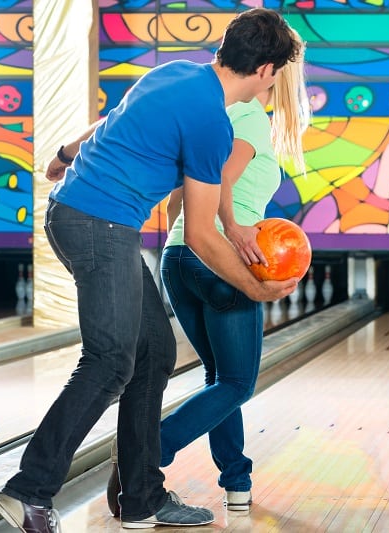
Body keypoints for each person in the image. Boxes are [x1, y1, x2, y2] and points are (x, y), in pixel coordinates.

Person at [0, 8, 302, 532]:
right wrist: (257, 286)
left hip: (88, 218)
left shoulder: (174, 72)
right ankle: (29, 491)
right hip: (100, 226)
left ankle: (141, 499)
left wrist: (65, 153)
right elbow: (202, 234)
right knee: (111, 361)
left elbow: (111, 119)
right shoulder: (210, 123)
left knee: (153, 352)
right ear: (267, 70)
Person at [106, 36, 310, 520]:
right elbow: (224, 177)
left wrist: (194, 232)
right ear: (269, 72)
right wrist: (233, 229)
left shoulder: (215, 110)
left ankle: (236, 479)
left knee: (219, 378)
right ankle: (148, 454)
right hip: (222, 259)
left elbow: (183, 197)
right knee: (238, 383)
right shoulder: (250, 117)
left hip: (181, 256)